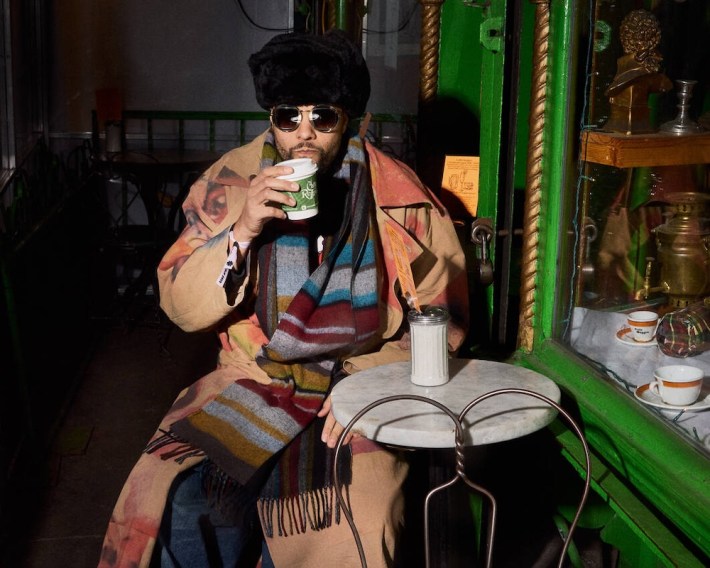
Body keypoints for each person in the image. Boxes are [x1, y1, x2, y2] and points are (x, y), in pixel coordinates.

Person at [99, 29, 469, 568]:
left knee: (352, 523)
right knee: (180, 503)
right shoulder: (229, 183)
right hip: (251, 375)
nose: (304, 133)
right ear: (271, 118)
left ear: (350, 119)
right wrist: (243, 230)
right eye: (288, 116)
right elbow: (179, 304)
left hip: (358, 382)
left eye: (324, 116)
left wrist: (371, 383)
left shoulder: (400, 196)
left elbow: (445, 319)